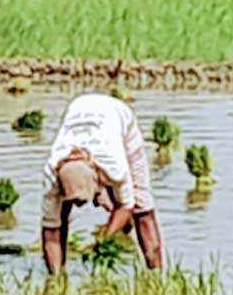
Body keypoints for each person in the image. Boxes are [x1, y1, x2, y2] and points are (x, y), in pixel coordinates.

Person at [41, 93, 163, 274]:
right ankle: (59, 271)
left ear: (97, 178)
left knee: (141, 205)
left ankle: (156, 274)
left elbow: (126, 206)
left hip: (118, 116)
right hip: (80, 107)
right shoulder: (51, 174)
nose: (80, 206)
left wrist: (103, 241)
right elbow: (51, 229)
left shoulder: (113, 166)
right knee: (61, 211)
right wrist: (56, 281)